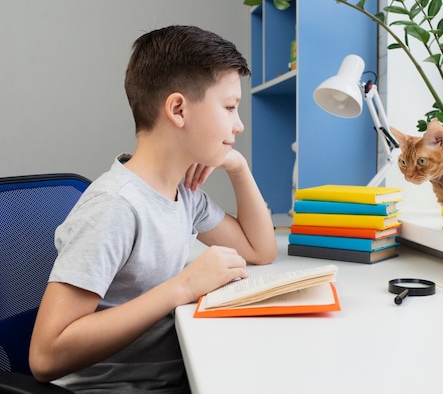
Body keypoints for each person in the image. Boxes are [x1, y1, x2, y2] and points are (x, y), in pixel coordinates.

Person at [29, 25, 277, 393]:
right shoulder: (115, 207)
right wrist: (184, 286)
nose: (238, 124)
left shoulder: (183, 194)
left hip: (170, 380)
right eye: (229, 107)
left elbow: (260, 249)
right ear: (178, 109)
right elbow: (45, 357)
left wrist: (237, 166)